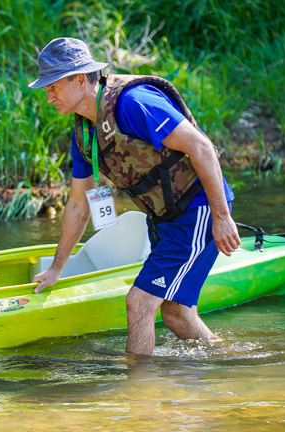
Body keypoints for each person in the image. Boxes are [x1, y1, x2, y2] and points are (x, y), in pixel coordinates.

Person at [28, 37, 241, 355]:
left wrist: (222, 217)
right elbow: (76, 205)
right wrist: (58, 267)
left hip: (198, 209)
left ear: (81, 79)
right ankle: (234, 362)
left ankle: (138, 397)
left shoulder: (133, 102)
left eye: (53, 87)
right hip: (164, 218)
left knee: (139, 302)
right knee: (176, 314)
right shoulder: (84, 134)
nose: (49, 98)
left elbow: (201, 148)